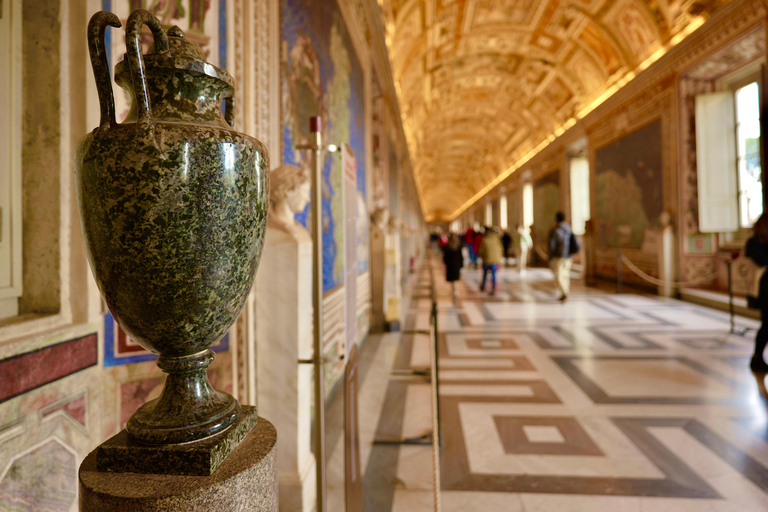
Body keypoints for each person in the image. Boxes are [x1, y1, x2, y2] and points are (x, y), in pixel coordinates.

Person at [745, 214, 768, 372]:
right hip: (764, 289)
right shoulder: (754, 242)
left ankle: (757, 356)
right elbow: (761, 260)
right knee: (766, 324)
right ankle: (757, 356)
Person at [548, 212, 573, 302]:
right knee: (565, 275)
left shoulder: (555, 230)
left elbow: (552, 244)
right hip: (568, 256)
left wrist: (550, 257)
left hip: (558, 256)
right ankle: (565, 292)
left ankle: (565, 293)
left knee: (559, 275)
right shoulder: (569, 228)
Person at [478, 227, 503, 295]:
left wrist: (480, 255)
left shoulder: (485, 239)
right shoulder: (497, 239)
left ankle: (483, 285)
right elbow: (500, 248)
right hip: (495, 259)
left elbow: (481, 250)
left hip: (487, 259)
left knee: (485, 273)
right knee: (494, 274)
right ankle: (494, 287)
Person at [443, 233, 463, 303]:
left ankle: (453, 290)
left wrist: (445, 263)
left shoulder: (448, 246)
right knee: (455, 279)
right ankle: (455, 290)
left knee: (452, 279)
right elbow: (461, 257)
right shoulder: (458, 246)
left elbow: (445, 257)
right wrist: (461, 265)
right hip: (456, 265)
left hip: (450, 265)